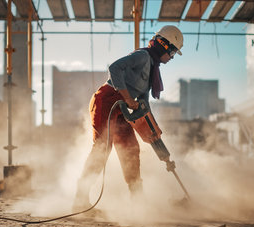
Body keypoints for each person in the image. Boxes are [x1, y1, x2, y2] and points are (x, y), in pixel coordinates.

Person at [73, 25, 184, 211]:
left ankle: (138, 202)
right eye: (172, 52)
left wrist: (161, 149)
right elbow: (115, 68)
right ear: (163, 45)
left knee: (131, 149)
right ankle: (80, 199)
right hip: (107, 101)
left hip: (123, 109)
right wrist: (127, 97)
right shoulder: (142, 56)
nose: (172, 57)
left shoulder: (152, 69)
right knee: (102, 147)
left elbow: (143, 109)